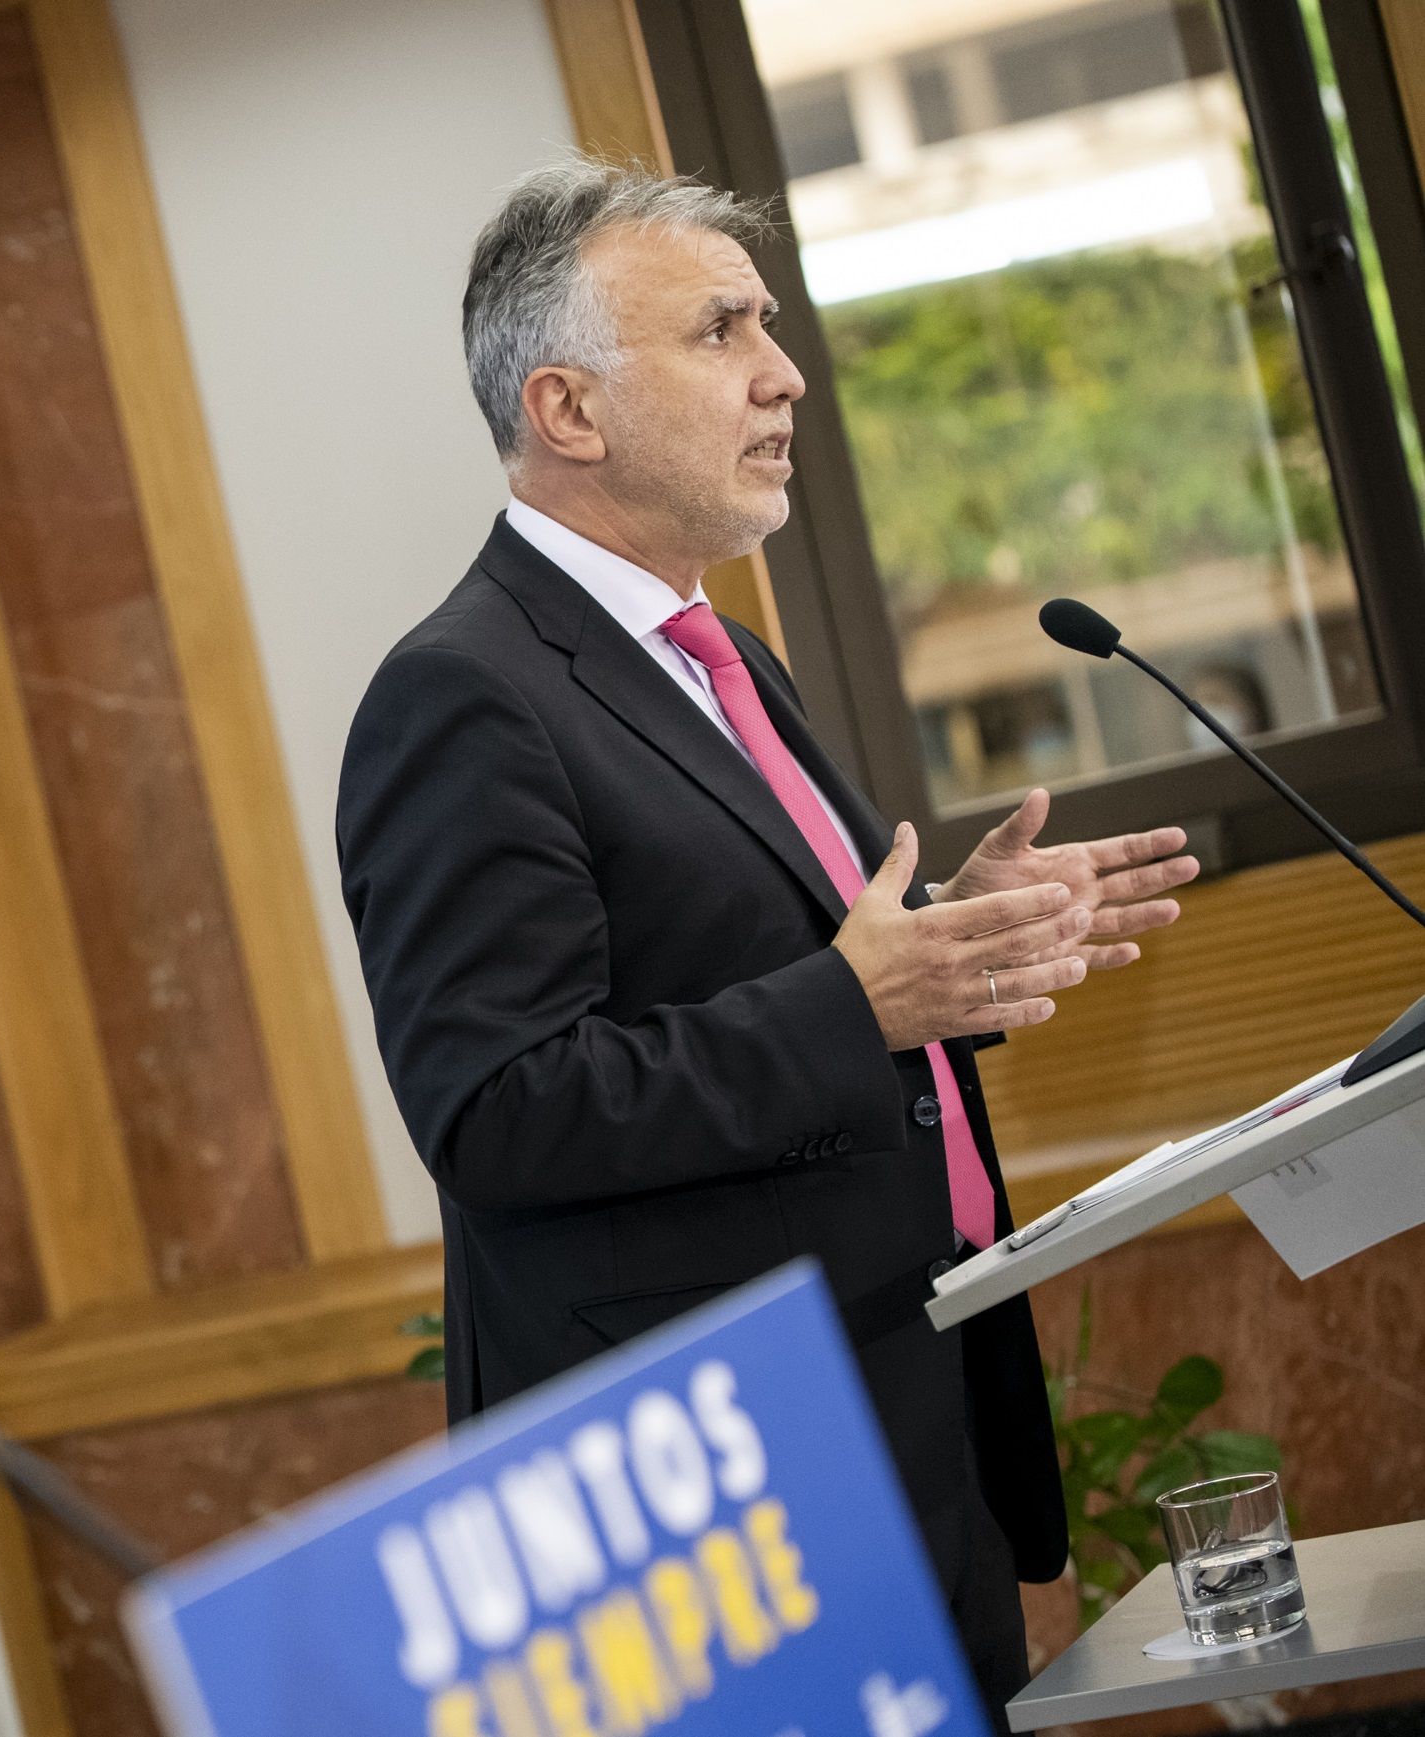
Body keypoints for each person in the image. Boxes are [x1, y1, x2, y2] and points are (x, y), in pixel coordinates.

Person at [337, 160, 1200, 1715]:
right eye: (723, 330)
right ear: (570, 410)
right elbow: (500, 1108)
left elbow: (768, 966)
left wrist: (956, 948)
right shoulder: (463, 696)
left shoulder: (712, 652)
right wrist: (861, 999)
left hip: (905, 1408)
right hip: (723, 1506)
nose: (785, 371)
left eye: (773, 326)